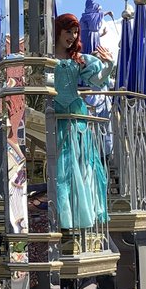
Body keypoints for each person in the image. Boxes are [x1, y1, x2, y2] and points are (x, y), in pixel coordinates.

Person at [52, 13, 113, 233]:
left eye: (76, 32)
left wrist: (109, 64)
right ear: (58, 31)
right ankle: (62, 217)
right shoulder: (45, 59)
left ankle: (77, 217)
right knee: (61, 168)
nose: (72, 36)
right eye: (68, 31)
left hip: (76, 114)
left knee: (80, 167)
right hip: (54, 115)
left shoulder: (78, 59)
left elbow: (97, 80)